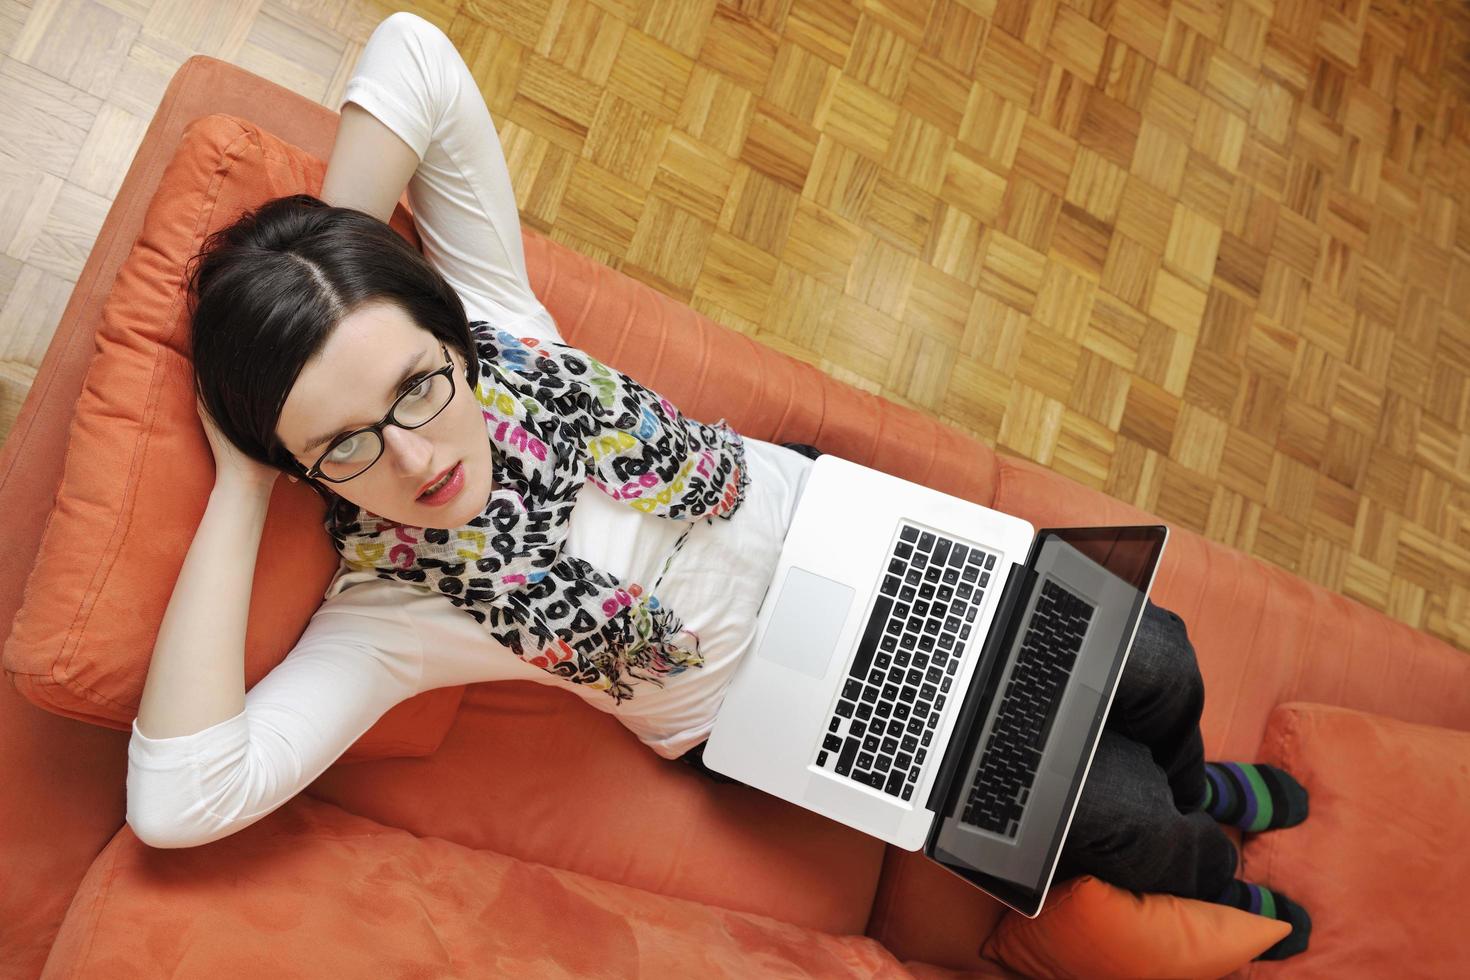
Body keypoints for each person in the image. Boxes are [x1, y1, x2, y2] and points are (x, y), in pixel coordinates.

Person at [129, 11, 1309, 962]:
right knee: (1119, 819)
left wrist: (329, 290)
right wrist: (247, 467)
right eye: (342, 447)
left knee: (1156, 653)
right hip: (770, 700)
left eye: (416, 387)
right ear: (300, 463)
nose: (414, 457)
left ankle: (1201, 772)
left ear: (446, 337)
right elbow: (179, 800)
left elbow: (414, 53)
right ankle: (1208, 857)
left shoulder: (491, 322)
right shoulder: (393, 613)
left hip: (843, 530)